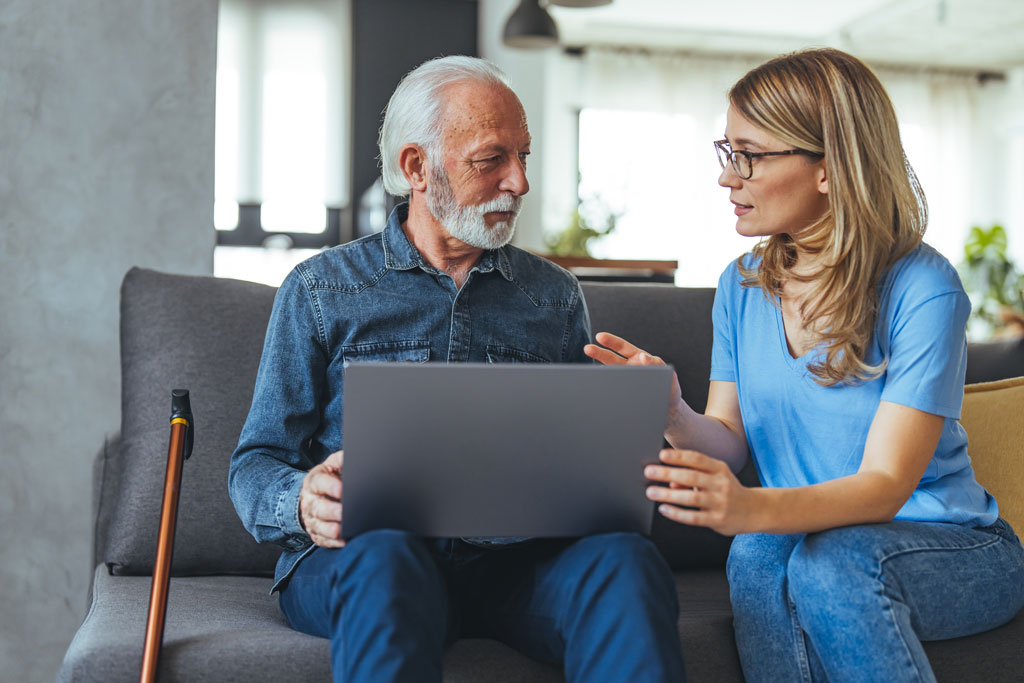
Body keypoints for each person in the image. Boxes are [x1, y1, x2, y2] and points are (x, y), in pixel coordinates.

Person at [228, 56, 686, 683]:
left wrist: (628, 433)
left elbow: (585, 475)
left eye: (524, 156)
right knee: (385, 556)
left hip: (513, 570)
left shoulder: (553, 297)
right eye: (491, 159)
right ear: (417, 168)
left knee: (626, 561)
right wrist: (304, 501)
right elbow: (254, 462)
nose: (519, 181)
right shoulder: (320, 289)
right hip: (370, 559)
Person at [585, 48, 1024, 683]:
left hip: (951, 546)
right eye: (726, 151)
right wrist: (670, 409)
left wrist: (749, 510)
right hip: (812, 539)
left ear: (828, 168)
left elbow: (886, 485)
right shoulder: (742, 284)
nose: (727, 177)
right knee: (759, 555)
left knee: (829, 564)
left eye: (750, 155)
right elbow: (728, 444)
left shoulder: (923, 287)